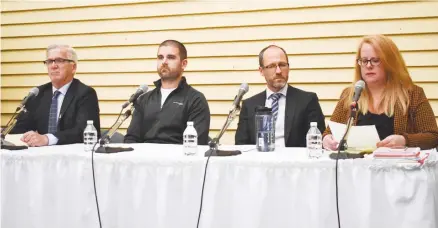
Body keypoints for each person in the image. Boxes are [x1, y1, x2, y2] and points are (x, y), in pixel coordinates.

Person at [323, 34, 438, 150]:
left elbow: (433, 137)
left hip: (397, 166)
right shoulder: (350, 95)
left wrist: (405, 140)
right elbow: (328, 133)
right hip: (357, 166)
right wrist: (327, 140)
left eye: (375, 60)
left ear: (390, 63)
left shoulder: (412, 94)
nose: (368, 65)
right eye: (364, 61)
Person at [235, 45, 326, 147]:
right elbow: (241, 145)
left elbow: (319, 141)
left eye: (282, 65)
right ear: (261, 71)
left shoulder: (307, 100)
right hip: (260, 160)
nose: (278, 71)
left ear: (289, 67)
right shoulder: (249, 105)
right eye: (272, 66)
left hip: (295, 161)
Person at [10, 44, 101, 147]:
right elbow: (20, 129)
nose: (53, 66)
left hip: (71, 157)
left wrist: (47, 139)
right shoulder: (38, 93)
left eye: (59, 61)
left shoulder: (85, 94)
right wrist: (5, 134)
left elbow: (84, 131)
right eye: (49, 62)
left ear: (73, 67)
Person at [124, 40, 211, 145]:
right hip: (143, 158)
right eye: (160, 57)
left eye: (170, 57)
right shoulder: (144, 99)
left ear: (183, 64)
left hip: (179, 159)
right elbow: (131, 139)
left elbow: (197, 144)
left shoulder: (195, 99)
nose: (164, 62)